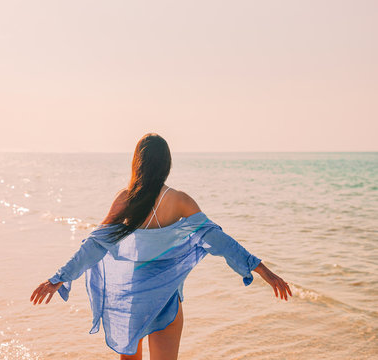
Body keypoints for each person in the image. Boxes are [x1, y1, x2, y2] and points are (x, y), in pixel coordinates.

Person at [30, 133, 292, 360]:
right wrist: (263, 270)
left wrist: (58, 279)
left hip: (132, 298)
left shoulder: (126, 199)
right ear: (167, 164)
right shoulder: (179, 200)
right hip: (167, 299)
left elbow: (96, 245)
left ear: (137, 163)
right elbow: (218, 240)